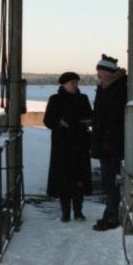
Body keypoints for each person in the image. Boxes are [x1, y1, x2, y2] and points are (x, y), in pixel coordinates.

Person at [44, 72, 93, 222]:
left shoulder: (83, 98)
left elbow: (90, 117)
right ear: (64, 84)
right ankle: (65, 213)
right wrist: (59, 122)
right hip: (62, 146)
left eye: (76, 82)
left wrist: (86, 121)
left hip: (80, 145)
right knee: (64, 180)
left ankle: (78, 212)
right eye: (72, 83)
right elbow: (48, 120)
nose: (75, 85)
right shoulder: (55, 99)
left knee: (79, 179)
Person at [90, 54, 127, 231]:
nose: (98, 74)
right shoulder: (107, 88)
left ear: (108, 72)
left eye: (100, 71)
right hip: (107, 143)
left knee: (112, 181)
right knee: (109, 181)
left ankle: (112, 217)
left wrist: (108, 139)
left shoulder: (117, 89)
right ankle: (110, 214)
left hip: (112, 145)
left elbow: (115, 118)